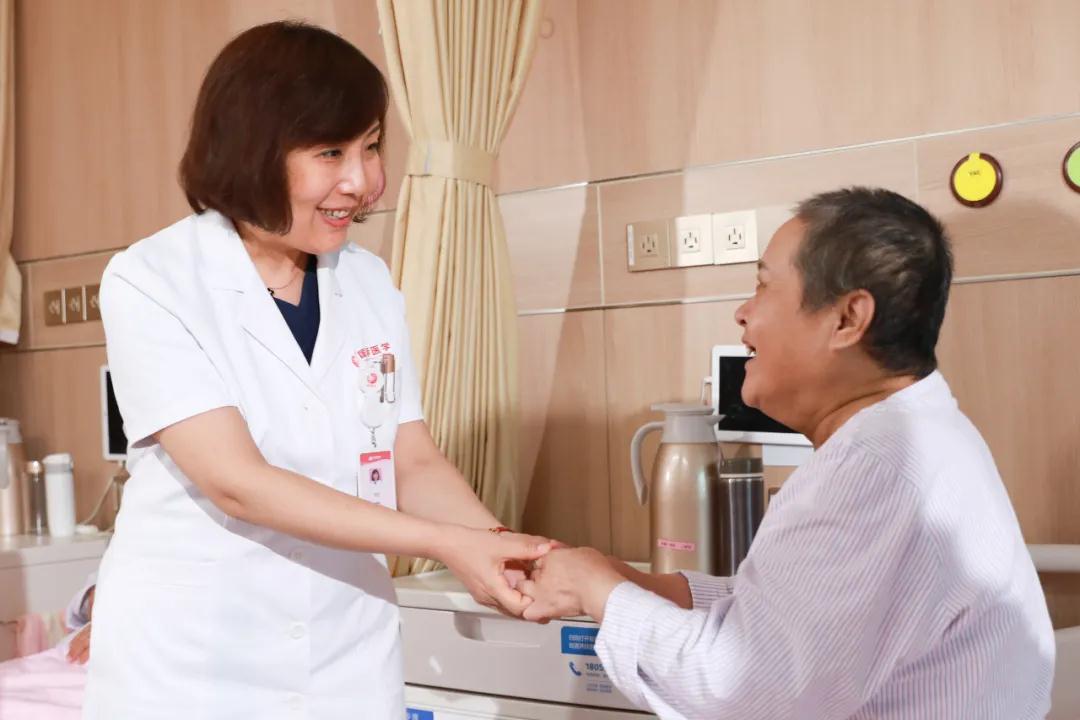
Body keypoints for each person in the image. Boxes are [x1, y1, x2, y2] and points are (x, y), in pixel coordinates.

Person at [89, 21, 549, 719]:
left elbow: (410, 458)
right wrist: (445, 545)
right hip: (196, 664)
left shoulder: (367, 281)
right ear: (251, 151)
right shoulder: (153, 279)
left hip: (345, 656)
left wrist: (504, 549)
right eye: (331, 151)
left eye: (371, 146)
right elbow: (238, 483)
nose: (362, 181)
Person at [517, 187, 1056, 719]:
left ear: (847, 319)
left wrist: (597, 588)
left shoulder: (873, 469)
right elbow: (791, 613)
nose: (742, 313)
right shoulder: (917, 437)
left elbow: (743, 691)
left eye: (763, 285)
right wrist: (635, 582)